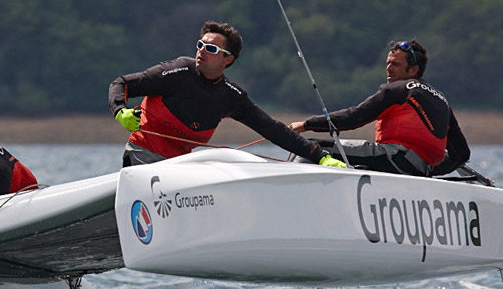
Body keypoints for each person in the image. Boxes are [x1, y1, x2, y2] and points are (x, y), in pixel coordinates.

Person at [108, 20, 343, 167]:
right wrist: (121, 112)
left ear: (227, 59)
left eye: (211, 49)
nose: (201, 51)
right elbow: (121, 83)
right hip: (143, 155)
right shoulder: (176, 71)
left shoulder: (230, 96)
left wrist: (320, 156)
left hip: (179, 167)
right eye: (200, 45)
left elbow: (273, 130)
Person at [288, 40, 469, 176]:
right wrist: (427, 171)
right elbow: (461, 154)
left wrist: (306, 124)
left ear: (413, 70)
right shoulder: (442, 100)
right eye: (388, 63)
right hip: (416, 169)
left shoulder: (400, 89)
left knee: (312, 147)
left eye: (396, 65)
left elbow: (354, 117)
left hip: (395, 158)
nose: (389, 69)